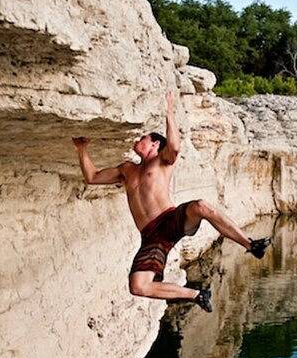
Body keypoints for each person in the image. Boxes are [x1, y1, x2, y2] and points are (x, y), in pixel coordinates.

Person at [71, 91, 270, 313]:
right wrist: (82, 150)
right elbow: (92, 177)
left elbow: (174, 147)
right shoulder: (126, 169)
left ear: (155, 144)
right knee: (138, 286)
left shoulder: (162, 161)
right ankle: (196, 295)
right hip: (151, 236)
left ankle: (251, 245)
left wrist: (169, 111)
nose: (138, 141)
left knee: (201, 206)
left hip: (169, 218)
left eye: (143, 139)